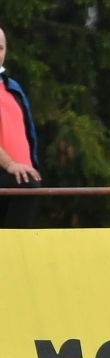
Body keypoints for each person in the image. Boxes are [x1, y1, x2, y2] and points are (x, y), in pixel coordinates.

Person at [0, 26, 40, 228]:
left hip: (18, 175)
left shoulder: (12, 87)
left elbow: (26, 134)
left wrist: (28, 165)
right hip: (11, 174)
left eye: (0, 48)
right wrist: (9, 164)